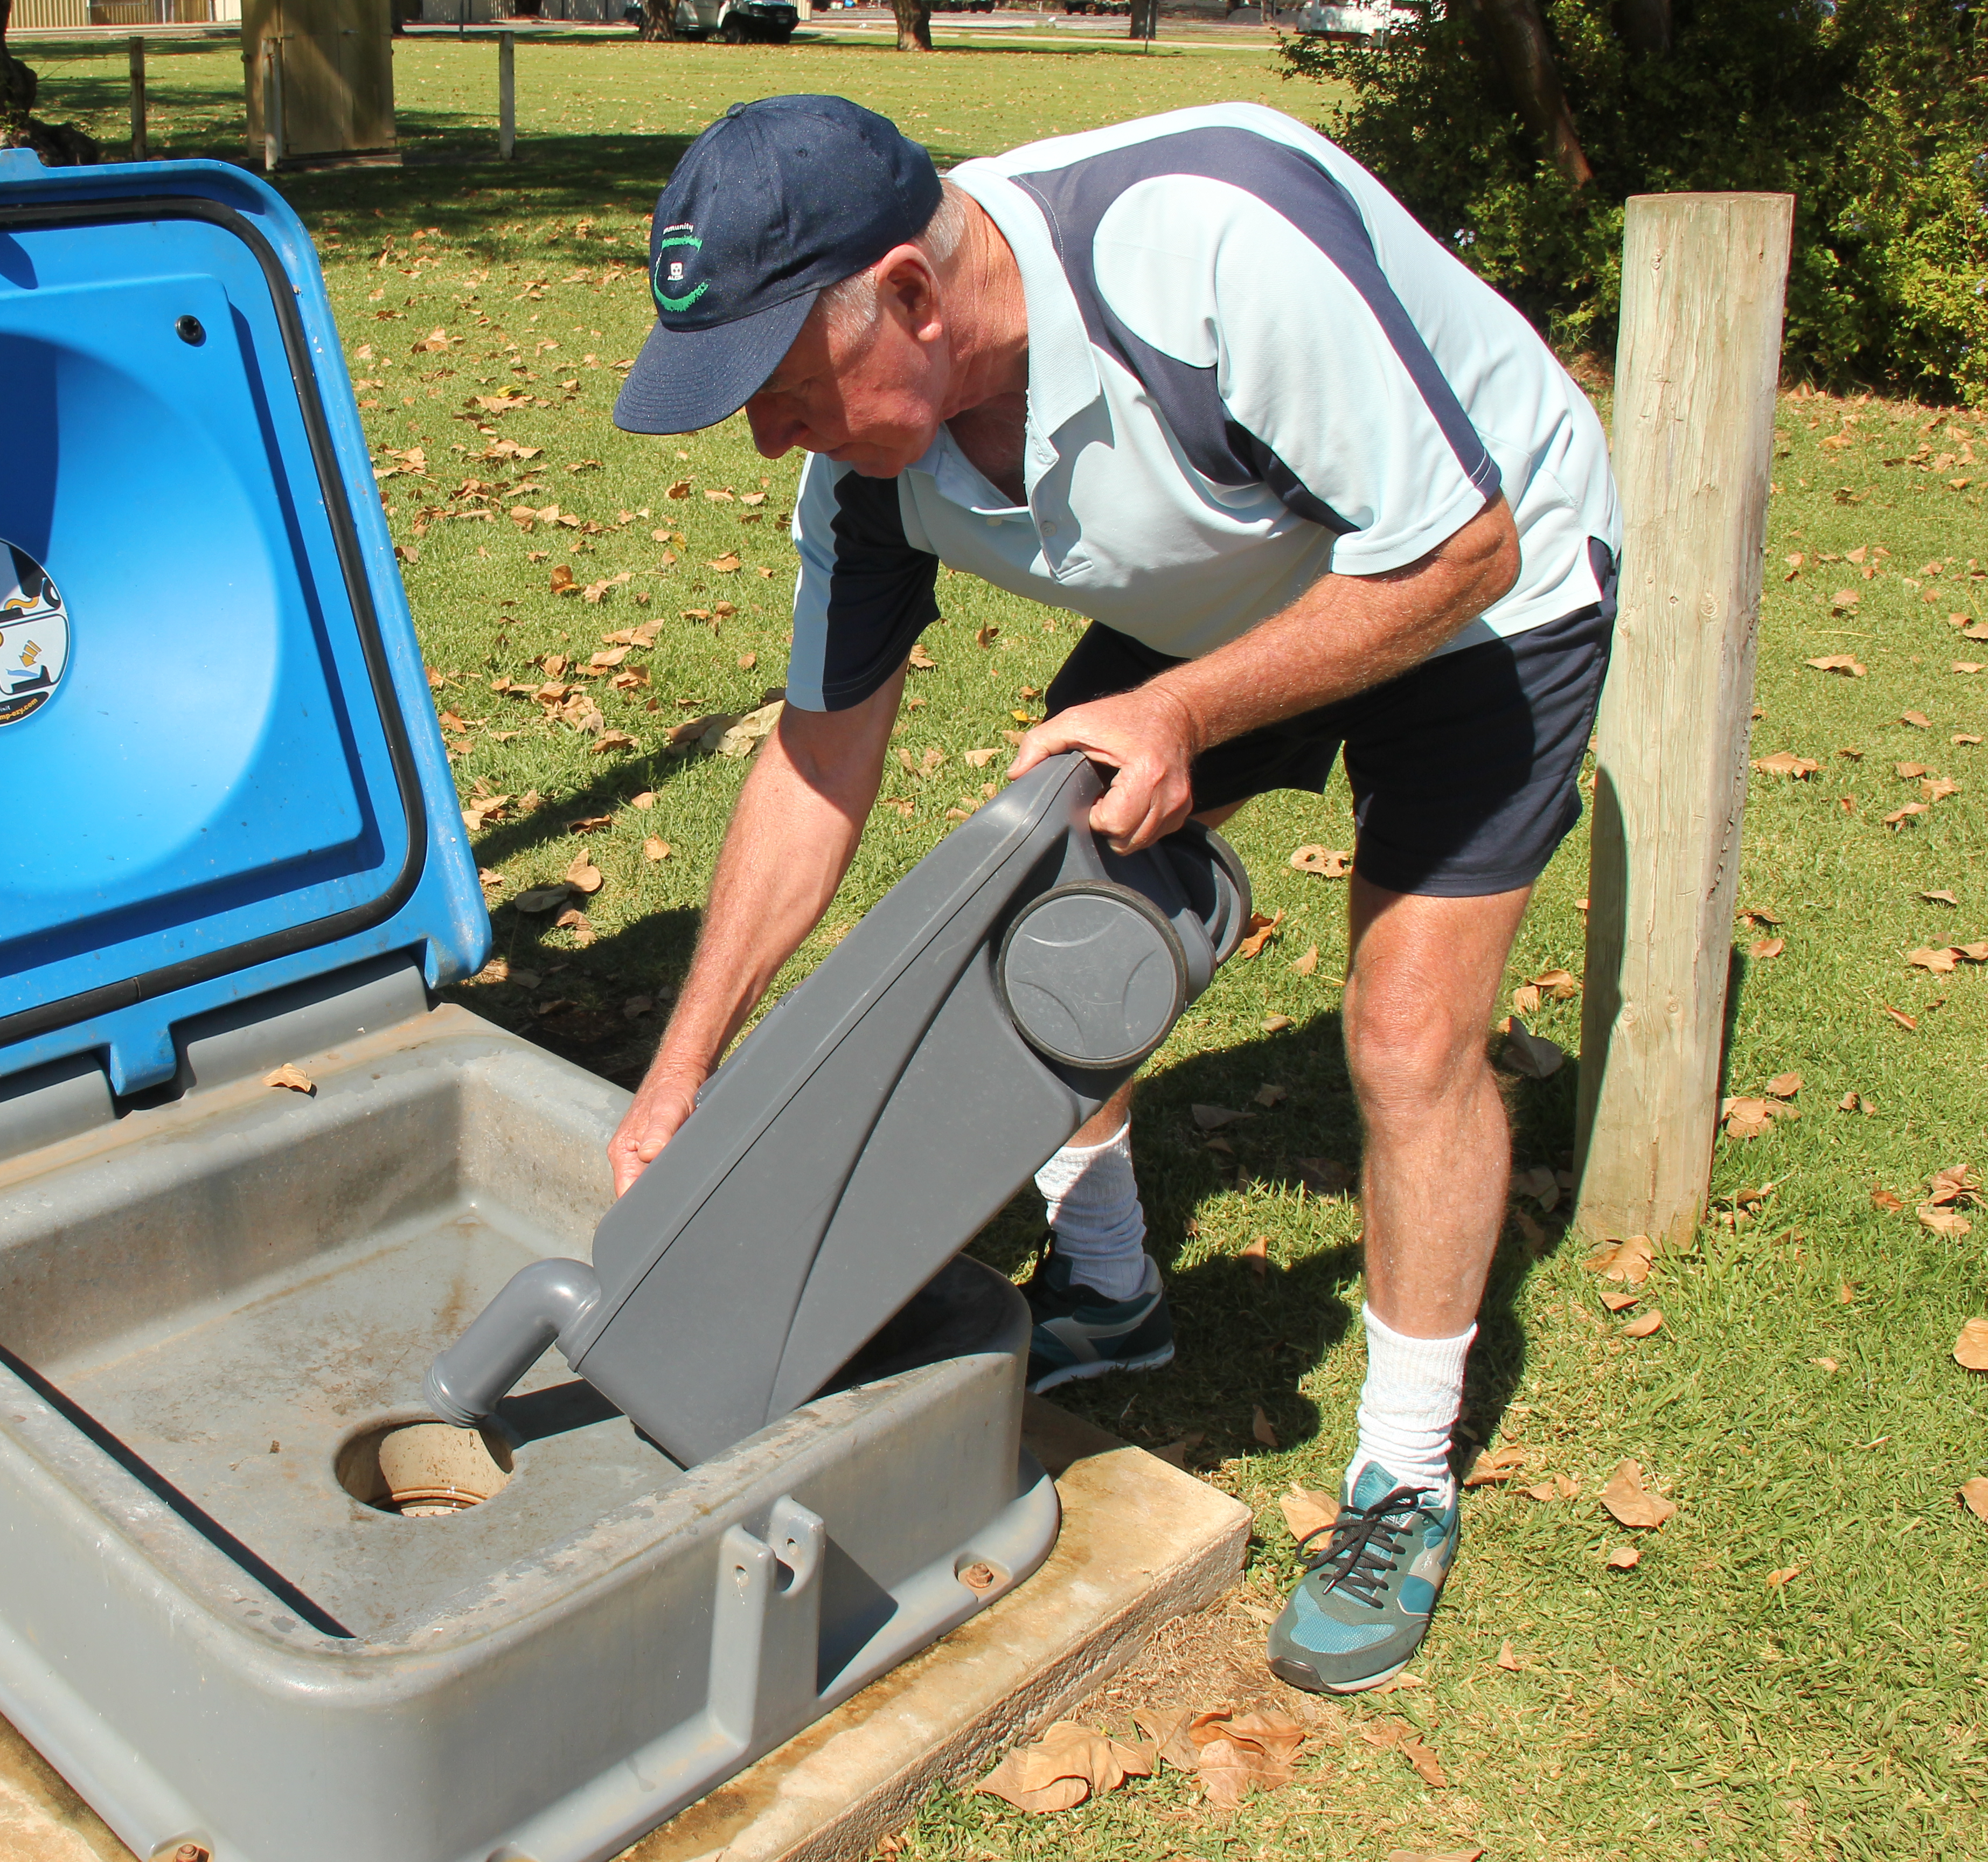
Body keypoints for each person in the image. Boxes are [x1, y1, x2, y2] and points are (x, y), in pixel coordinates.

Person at [604, 95, 1618, 1695]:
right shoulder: (871, 476)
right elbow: (815, 767)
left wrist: (1190, 712)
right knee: (1030, 927)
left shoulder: (1212, 246)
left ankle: (1404, 1480)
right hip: (1218, 586)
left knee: (1410, 1035)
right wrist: (681, 1072)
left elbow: (1463, 546)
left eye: (785, 392)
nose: (768, 439)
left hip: (1478, 585)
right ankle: (1113, 1284)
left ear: (911, 299)